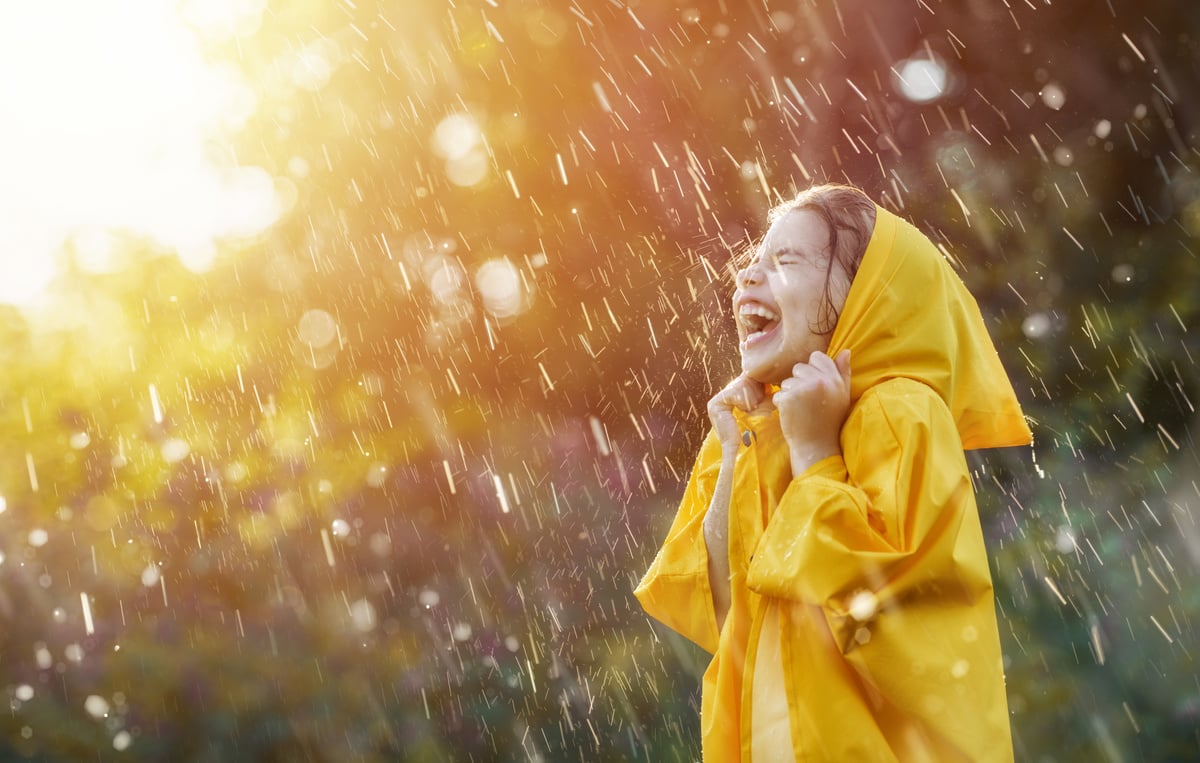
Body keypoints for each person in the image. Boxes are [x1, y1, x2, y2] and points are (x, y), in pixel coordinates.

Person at [635, 184, 1032, 761]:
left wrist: (817, 455)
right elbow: (727, 605)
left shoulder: (898, 411)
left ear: (868, 299)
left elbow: (885, 612)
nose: (746, 277)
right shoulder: (770, 424)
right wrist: (736, 445)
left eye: (787, 260)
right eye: (753, 262)